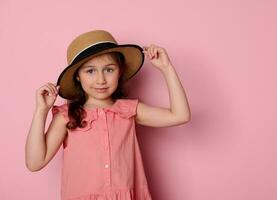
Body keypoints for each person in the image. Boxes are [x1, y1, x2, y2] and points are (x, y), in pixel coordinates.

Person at [25, 30, 190, 200]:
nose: (101, 80)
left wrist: (166, 68)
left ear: (120, 71)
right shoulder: (67, 116)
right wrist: (41, 111)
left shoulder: (128, 110)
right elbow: (35, 162)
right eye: (90, 71)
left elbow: (180, 115)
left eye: (109, 70)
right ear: (78, 77)